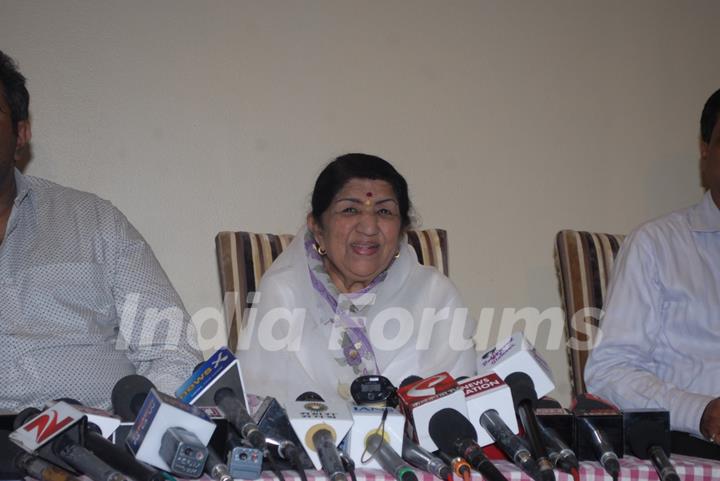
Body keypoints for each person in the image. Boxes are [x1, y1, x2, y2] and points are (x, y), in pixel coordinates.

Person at [0, 50, 202, 411]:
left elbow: (173, 353)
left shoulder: (94, 222)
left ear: (20, 134)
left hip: (93, 447)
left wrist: (128, 429)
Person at [236, 153, 477, 403]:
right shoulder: (284, 294)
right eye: (350, 210)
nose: (369, 227)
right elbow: (259, 408)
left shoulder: (435, 296)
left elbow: (461, 404)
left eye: (384, 211)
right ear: (318, 228)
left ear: (402, 230)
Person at [585, 88, 720, 457]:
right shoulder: (656, 246)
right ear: (705, 149)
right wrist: (702, 411)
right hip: (694, 448)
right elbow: (609, 373)